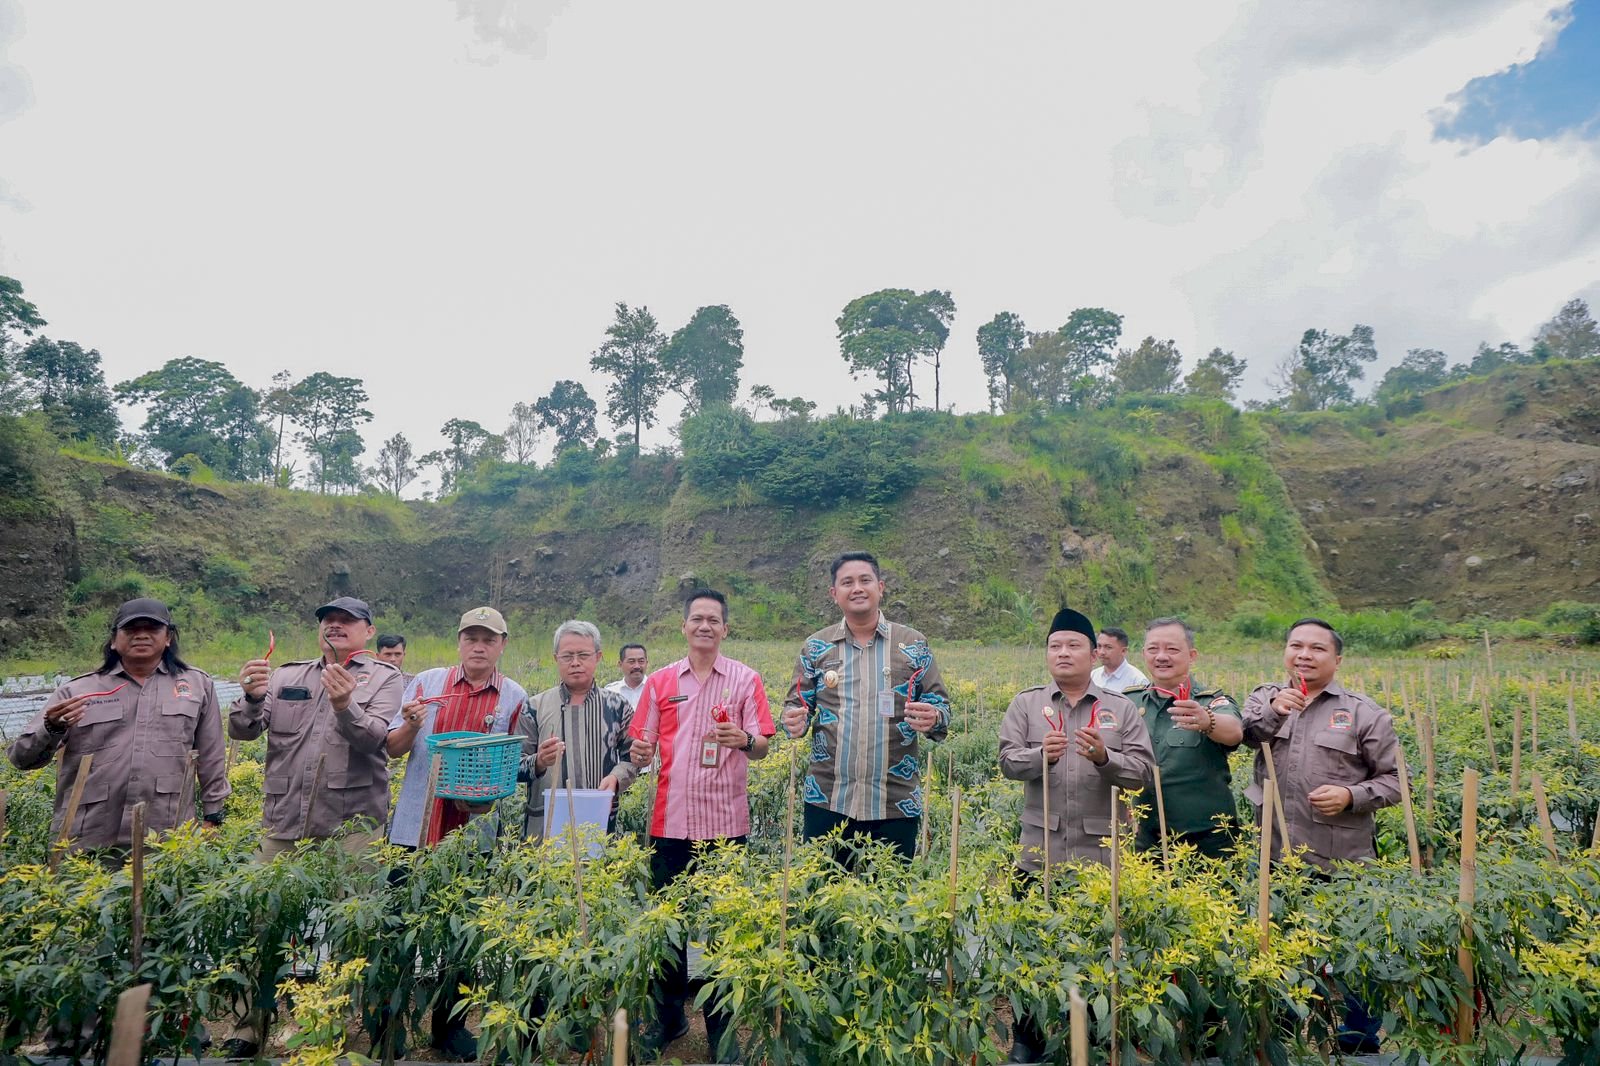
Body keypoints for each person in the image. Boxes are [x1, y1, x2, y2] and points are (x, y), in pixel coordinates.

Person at [224, 596, 403, 1058]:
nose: (336, 626)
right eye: (328, 620)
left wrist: (346, 705)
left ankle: (335, 1023)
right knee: (266, 922)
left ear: (368, 630)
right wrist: (251, 696)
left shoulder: (383, 677)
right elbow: (244, 731)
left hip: (353, 824)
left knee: (353, 926)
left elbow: (375, 740)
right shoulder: (285, 675)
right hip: (285, 817)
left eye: (348, 621)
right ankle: (251, 1023)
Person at [996, 606, 1154, 1063]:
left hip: (1099, 857)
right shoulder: (1027, 704)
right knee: (1030, 950)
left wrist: (1107, 758)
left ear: (1094, 654)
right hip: (1038, 852)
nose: (1063, 653)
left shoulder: (1120, 709)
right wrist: (1037, 756)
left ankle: (1097, 1037)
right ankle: (1030, 1040)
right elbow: (1007, 761)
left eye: (1074, 646)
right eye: (1055, 645)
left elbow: (1143, 772)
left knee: (1097, 950)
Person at [1241, 616, 1401, 1053]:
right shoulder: (1265, 699)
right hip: (1273, 855)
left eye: (1316, 648)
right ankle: (1281, 1037)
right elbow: (1246, 733)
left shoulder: (1363, 712)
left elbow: (1395, 781)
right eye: (1296, 646)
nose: (1304, 655)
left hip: (1340, 858)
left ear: (1337, 659)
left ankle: (1357, 1040)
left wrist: (1352, 795)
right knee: (1275, 949)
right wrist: (1277, 710)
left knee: (1350, 952)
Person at [628, 589, 775, 1063]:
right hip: (669, 822)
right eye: (697, 618)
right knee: (669, 927)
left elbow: (763, 745)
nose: (705, 626)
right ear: (684, 627)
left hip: (726, 824)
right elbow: (640, 744)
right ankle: (669, 1018)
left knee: (723, 930)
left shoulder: (746, 679)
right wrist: (638, 753)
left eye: (714, 619)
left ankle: (722, 1029)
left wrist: (744, 739)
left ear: (725, 629)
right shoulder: (661, 681)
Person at [382, 607, 526, 1060]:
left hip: (473, 835)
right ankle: (390, 1026)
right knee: (397, 932)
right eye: (471, 638)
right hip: (414, 830)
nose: (478, 646)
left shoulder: (515, 697)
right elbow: (391, 748)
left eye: (489, 639)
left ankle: (449, 1026)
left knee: (463, 937)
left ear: (502, 644)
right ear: (459, 641)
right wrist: (410, 723)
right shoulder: (425, 684)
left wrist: (487, 796)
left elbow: (514, 766)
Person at [8, 598, 230, 856]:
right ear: (114, 640)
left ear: (168, 637)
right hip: (86, 838)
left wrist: (214, 815)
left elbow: (212, 755)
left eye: (152, 628)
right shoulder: (78, 691)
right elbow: (21, 759)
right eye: (131, 629)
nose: (142, 635)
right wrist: (52, 727)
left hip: (166, 837)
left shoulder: (197, 686)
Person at [781, 551, 950, 862]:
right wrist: (793, 720)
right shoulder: (816, 647)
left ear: (880, 587)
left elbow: (940, 705)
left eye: (864, 580)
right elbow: (795, 704)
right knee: (826, 899)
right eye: (847, 582)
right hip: (827, 800)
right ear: (834, 594)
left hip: (895, 801)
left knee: (890, 901)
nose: (856, 588)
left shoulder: (913, 644)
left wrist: (934, 716)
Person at [1124, 617, 1243, 860]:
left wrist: (1207, 720)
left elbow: (1233, 733)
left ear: (1192, 655)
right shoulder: (1128, 703)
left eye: (1172, 649)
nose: (1161, 656)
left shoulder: (1210, 702)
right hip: (1147, 836)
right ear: (1143, 653)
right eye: (1153, 649)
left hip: (1208, 838)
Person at [516, 620, 638, 842]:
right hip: (545, 827)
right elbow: (513, 765)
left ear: (598, 657)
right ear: (556, 659)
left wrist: (616, 778)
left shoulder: (618, 706)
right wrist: (540, 761)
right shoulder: (534, 707)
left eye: (583, 655)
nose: (575, 663)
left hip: (601, 824)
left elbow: (632, 757)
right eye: (567, 656)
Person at [1089, 626, 1147, 693]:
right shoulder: (1093, 676)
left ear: (1123, 651)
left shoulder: (1138, 681)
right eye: (1099, 646)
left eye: (1108, 647)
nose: (1102, 652)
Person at [604, 643, 649, 709]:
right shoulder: (611, 692)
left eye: (641, 661)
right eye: (631, 661)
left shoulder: (657, 689)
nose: (637, 666)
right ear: (620, 664)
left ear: (647, 663)